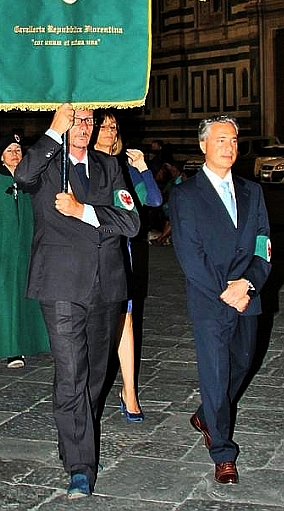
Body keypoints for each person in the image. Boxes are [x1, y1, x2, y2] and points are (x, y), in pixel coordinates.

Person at [14, 104, 140, 499]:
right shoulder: (48, 165)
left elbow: (131, 222)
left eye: (90, 121)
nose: (84, 127)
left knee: (97, 374)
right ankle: (80, 466)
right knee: (71, 373)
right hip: (61, 285)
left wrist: (83, 211)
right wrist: (54, 130)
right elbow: (22, 174)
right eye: (78, 120)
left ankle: (76, 439)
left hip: (107, 286)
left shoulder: (108, 166)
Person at [169, 115, 272, 485]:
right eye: (221, 140)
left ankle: (206, 415)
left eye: (233, 141)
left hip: (248, 295)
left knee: (243, 363)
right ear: (203, 146)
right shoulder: (185, 195)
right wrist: (224, 291)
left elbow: (263, 242)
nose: (229, 147)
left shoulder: (252, 191)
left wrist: (249, 283)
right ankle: (223, 452)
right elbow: (189, 254)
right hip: (210, 299)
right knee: (215, 374)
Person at [93, 109, 162, 422]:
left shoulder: (125, 168)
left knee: (127, 320)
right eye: (103, 126)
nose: (109, 132)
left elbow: (155, 200)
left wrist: (143, 167)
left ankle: (129, 390)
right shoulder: (82, 166)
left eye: (113, 127)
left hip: (122, 253)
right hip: (89, 253)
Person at [0, 133, 49, 368]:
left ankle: (33, 340)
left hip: (29, 250)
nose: (15, 154)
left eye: (18, 150)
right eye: (10, 150)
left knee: (29, 294)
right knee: (6, 297)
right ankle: (10, 347)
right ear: (1, 156)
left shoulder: (35, 181)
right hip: (1, 252)